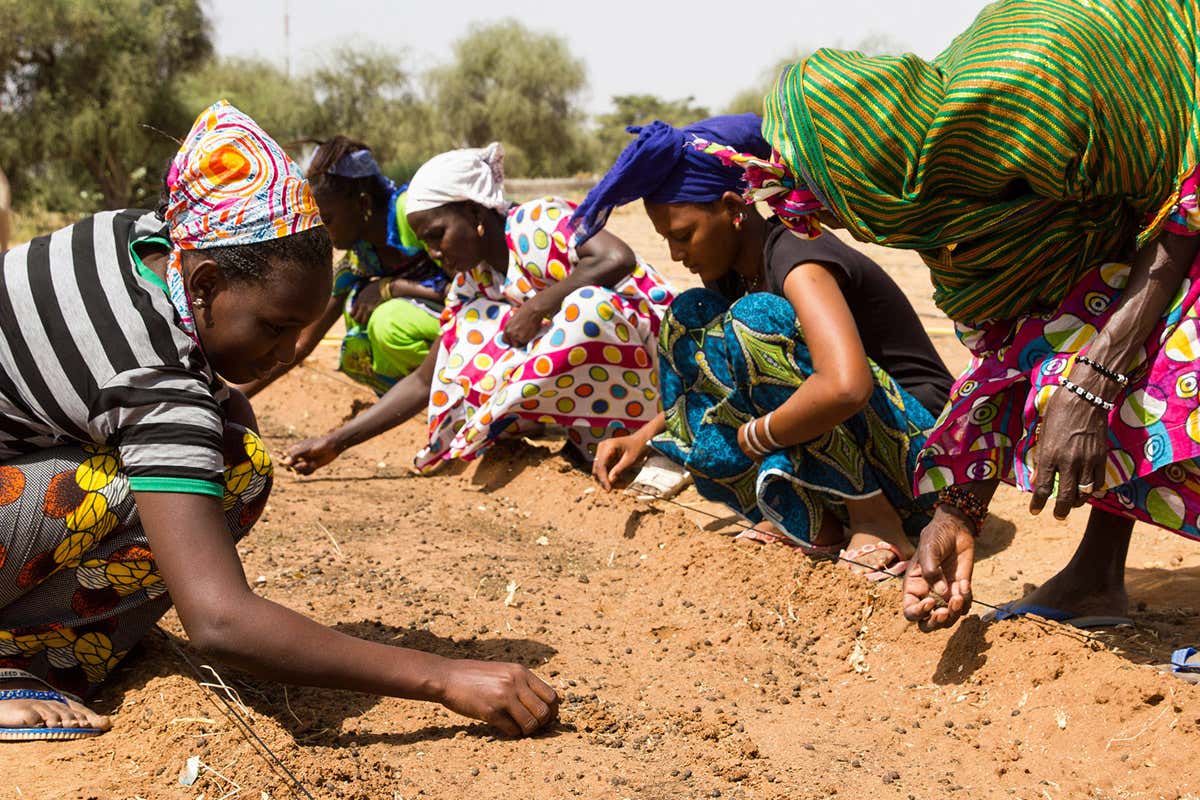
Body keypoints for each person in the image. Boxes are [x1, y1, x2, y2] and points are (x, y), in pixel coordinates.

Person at [0, 102, 556, 741]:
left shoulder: (140, 236)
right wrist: (442, 676)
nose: (289, 353)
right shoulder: (153, 378)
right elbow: (220, 622)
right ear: (205, 283)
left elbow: (223, 403)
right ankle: (20, 661)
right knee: (223, 472)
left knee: (225, 437)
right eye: (274, 327)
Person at [755, 0, 1200, 629]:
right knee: (1072, 364)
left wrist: (1094, 380)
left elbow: (1184, 206)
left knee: (1157, 364)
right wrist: (958, 511)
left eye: (837, 208)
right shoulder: (953, 183)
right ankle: (1095, 577)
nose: (841, 229)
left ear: (872, 172)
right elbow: (1014, 341)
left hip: (1185, 156)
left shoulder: (1038, 90)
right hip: (1147, 195)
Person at [579, 114, 953, 577]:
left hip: (930, 463)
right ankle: (809, 520)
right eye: (667, 240)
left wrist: (754, 436)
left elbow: (845, 386)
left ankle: (875, 520)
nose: (676, 254)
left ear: (733, 208)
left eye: (682, 236)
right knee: (688, 319)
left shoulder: (797, 256)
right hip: (874, 453)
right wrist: (643, 437)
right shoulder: (732, 275)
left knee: (755, 320)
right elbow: (712, 384)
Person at [282, 143, 674, 475]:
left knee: (587, 308)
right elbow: (422, 381)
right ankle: (600, 439)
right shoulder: (474, 283)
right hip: (617, 385)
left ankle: (665, 434)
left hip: (663, 361)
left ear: (474, 213)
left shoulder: (535, 221)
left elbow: (616, 257)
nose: (435, 252)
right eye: (426, 242)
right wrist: (336, 442)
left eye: (438, 235)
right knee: (473, 332)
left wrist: (538, 306)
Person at [235, 137, 446, 397]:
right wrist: (232, 398)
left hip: (476, 319)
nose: (322, 232)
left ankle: (463, 392)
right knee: (358, 332)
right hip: (445, 329)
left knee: (387, 323)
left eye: (327, 219)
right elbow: (303, 343)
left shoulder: (411, 215)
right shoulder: (360, 258)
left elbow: (470, 288)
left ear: (363, 204)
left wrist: (390, 288)